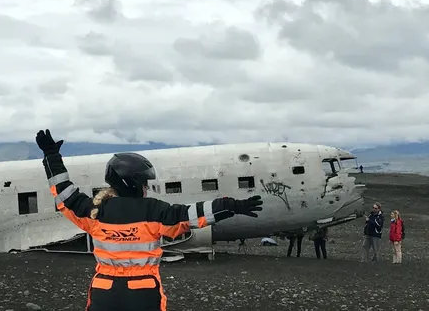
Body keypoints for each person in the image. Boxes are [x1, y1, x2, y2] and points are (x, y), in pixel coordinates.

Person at [36, 129, 263, 311]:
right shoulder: (155, 210)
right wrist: (232, 206)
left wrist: (51, 156)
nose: (146, 187)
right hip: (142, 291)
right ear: (134, 183)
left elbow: (64, 193)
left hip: (104, 291)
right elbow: (194, 214)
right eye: (144, 182)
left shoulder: (95, 211)